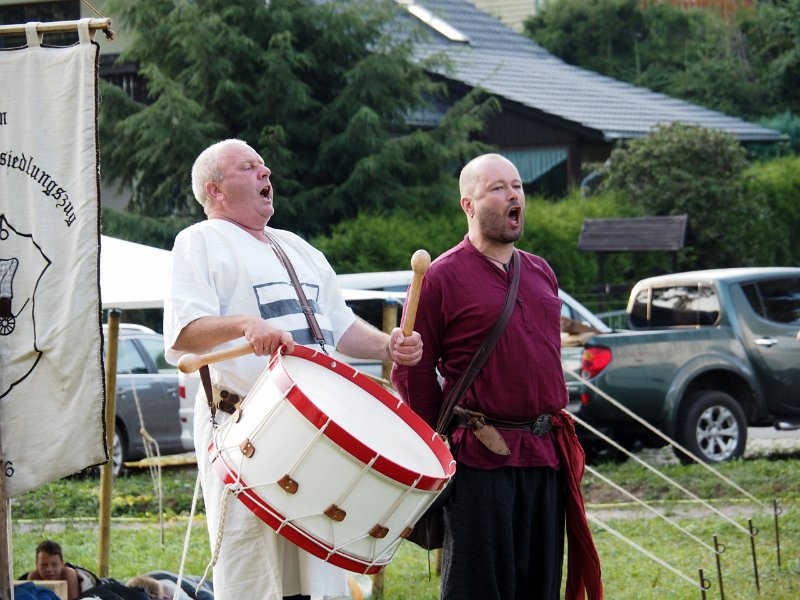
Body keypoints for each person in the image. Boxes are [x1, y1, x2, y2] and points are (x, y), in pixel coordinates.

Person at [163, 139, 423, 600]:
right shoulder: (198, 241)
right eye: (250, 168)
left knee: (321, 577)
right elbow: (184, 334)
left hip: (319, 433)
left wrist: (388, 345)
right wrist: (245, 325)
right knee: (255, 575)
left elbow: (339, 328)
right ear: (215, 189)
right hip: (246, 427)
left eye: (264, 167)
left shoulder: (299, 247)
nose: (266, 174)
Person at [391, 153, 602, 600]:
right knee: (479, 590)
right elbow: (412, 371)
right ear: (469, 204)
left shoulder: (541, 270)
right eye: (498, 188)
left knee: (539, 586)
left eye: (518, 186)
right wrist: (437, 448)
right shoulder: (439, 277)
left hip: (545, 456)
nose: (514, 196)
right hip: (480, 459)